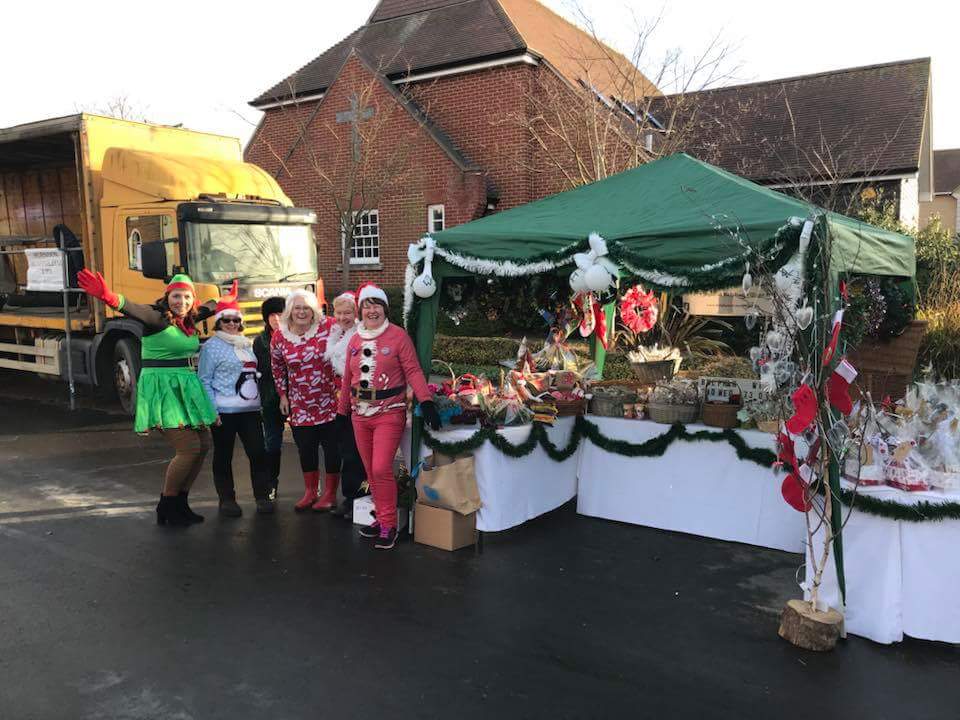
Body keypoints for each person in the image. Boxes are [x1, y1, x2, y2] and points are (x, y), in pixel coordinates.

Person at [76, 269, 233, 526]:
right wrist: (108, 296)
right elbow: (131, 307)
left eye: (186, 297)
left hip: (185, 388)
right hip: (163, 390)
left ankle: (181, 503)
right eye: (176, 296)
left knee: (203, 445)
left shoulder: (189, 318)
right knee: (188, 448)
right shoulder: (156, 317)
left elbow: (208, 308)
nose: (181, 301)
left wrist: (226, 300)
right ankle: (167, 505)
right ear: (167, 297)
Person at [337, 283, 441, 549]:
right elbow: (348, 377)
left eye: (377, 305)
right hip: (359, 414)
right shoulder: (355, 339)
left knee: (381, 467)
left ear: (385, 309)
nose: (372, 311)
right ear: (360, 311)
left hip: (389, 412)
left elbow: (413, 371)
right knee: (370, 469)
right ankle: (381, 517)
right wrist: (341, 410)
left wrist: (426, 401)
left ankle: (388, 524)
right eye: (367, 306)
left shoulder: (398, 336)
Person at [198, 297, 274, 517]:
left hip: (250, 410)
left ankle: (262, 496)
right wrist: (211, 411)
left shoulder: (246, 343)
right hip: (224, 412)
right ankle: (227, 499)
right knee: (223, 455)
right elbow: (204, 379)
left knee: (258, 452)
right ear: (219, 322)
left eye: (236, 320)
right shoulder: (211, 347)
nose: (232, 324)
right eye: (227, 320)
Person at [270, 290, 341, 512]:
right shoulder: (280, 335)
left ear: (314, 311)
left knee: (332, 449)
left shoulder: (328, 327)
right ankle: (311, 492)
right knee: (306, 449)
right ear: (290, 311)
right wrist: (283, 395)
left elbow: (350, 340)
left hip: (330, 401)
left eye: (307, 308)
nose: (302, 312)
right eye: (297, 308)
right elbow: (277, 367)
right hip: (299, 404)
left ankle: (330, 494)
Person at [322, 291, 365, 519]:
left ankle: (358, 497)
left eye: (347, 312)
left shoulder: (359, 335)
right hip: (338, 400)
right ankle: (350, 496)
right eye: (338, 312)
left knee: (355, 452)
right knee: (345, 450)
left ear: (356, 312)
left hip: (354, 401)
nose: (342, 317)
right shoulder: (337, 334)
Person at [253, 296, 287, 500]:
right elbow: (258, 371)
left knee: (307, 444)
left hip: (298, 397)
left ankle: (313, 486)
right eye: (272, 315)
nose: (276, 319)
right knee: (272, 443)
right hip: (270, 398)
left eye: (280, 314)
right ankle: (271, 483)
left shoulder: (297, 337)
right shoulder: (260, 341)